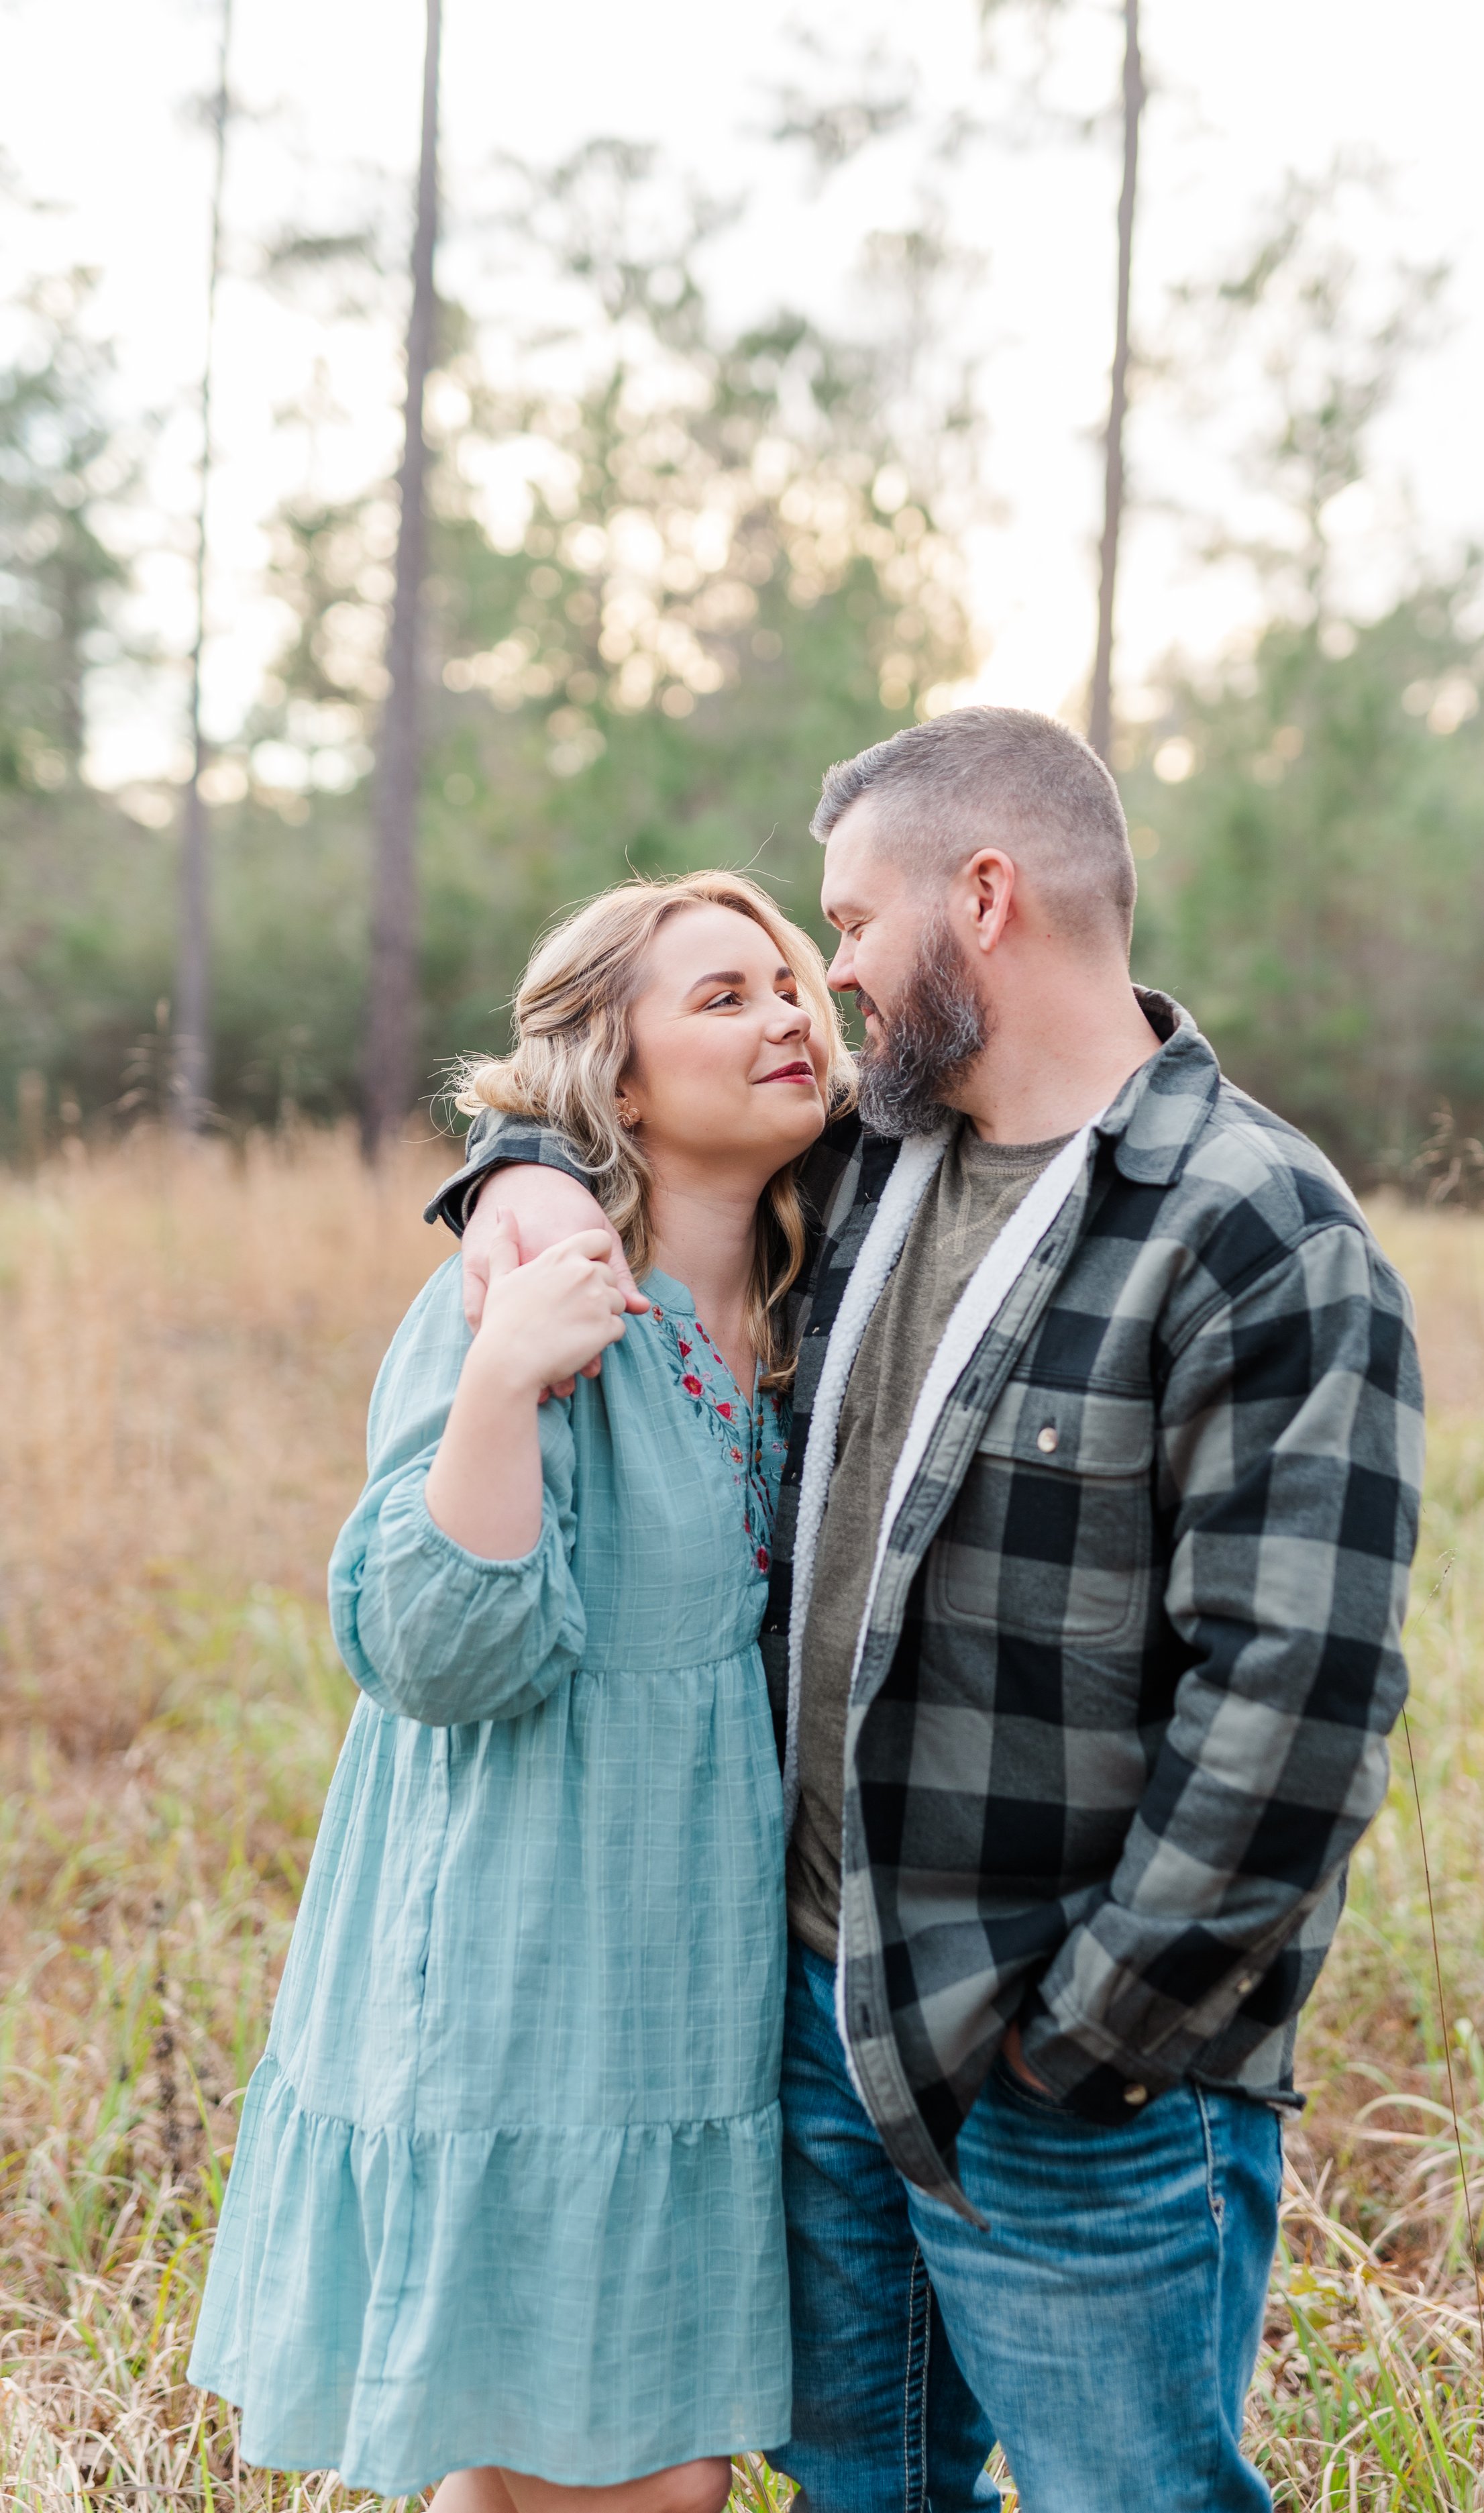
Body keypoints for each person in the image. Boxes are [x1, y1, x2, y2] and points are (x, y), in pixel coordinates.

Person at [431, 706, 1426, 2513]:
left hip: (1072, 2081)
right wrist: (512, 1176)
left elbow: (1302, 1699)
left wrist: (1087, 2038)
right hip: (820, 2009)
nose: (833, 985)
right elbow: (639, 1136)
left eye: (854, 926)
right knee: (861, 2489)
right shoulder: (874, 1162)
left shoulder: (1253, 1229)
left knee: (1130, 2494)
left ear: (983, 898)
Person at [190, 871, 855, 2512]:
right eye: (720, 995)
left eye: (788, 984)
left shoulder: (811, 1301)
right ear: (614, 1081)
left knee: (583, 2477)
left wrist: (518, 1166)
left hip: (690, 1991)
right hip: (517, 1968)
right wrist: (502, 1377)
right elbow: (429, 1650)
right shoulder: (515, 1298)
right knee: (628, 2480)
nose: (784, 1011)